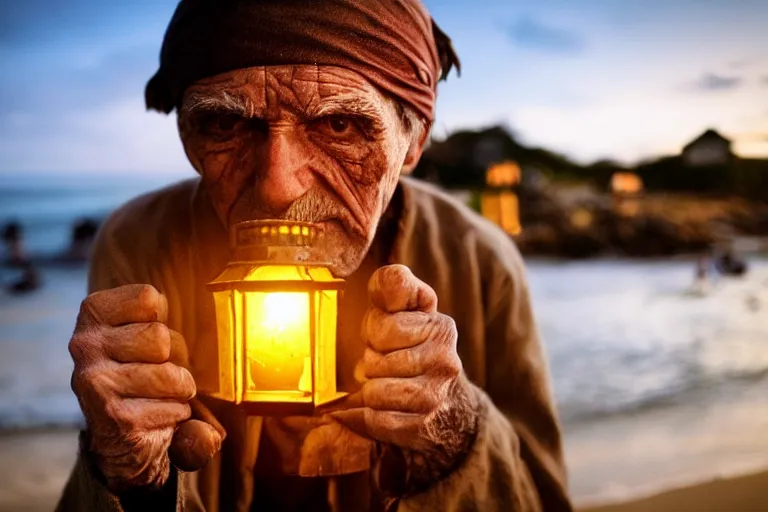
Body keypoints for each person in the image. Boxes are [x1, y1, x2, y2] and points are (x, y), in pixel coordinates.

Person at [58, 1, 571, 511]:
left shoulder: (478, 260)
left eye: (341, 126)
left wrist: (454, 436)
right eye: (224, 125)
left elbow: (544, 498)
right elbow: (124, 454)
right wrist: (131, 473)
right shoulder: (140, 242)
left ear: (412, 140)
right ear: (190, 137)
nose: (277, 186)